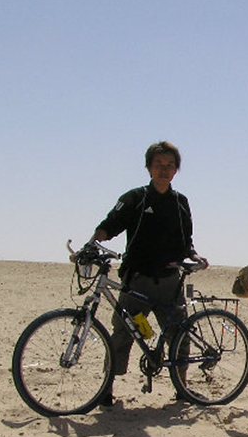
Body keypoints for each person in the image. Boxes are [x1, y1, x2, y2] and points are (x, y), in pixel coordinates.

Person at [87, 141, 207, 406]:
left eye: (169, 165)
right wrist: (91, 244)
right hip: (137, 281)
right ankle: (106, 391)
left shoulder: (180, 202)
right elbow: (110, 225)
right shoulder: (135, 198)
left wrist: (194, 255)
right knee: (122, 333)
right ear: (149, 168)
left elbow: (185, 240)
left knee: (179, 335)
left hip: (169, 282)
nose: (164, 170)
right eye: (158, 164)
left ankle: (182, 389)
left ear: (176, 170)